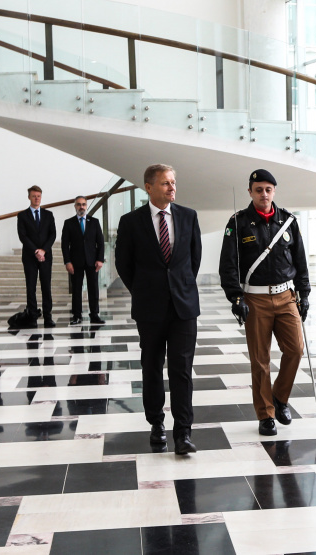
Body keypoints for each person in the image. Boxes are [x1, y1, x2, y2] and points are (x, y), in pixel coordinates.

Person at [116, 164, 201, 455]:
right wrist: (144, 290)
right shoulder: (131, 222)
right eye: (165, 183)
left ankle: (183, 433)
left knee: (182, 371)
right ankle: (156, 423)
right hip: (150, 308)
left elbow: (193, 259)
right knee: (151, 367)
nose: (172, 187)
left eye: (173, 182)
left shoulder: (189, 217)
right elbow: (124, 265)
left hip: (184, 307)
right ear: (149, 187)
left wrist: (179, 286)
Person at [219, 169, 311, 437]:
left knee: (295, 350)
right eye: (258, 189)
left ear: (274, 191)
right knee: (260, 361)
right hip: (255, 298)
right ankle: (266, 414)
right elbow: (228, 265)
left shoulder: (288, 221)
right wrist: (235, 297)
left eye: (268, 189)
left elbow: (300, 261)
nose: (264, 194)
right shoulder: (237, 223)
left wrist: (304, 294)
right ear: (250, 192)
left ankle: (280, 398)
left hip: (286, 297)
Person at [61, 196, 105, 325]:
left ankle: (94, 315)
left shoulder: (95, 222)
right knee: (76, 290)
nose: (81, 207)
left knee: (93, 289)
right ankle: (77, 316)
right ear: (75, 206)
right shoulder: (68, 223)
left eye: (84, 204)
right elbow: (65, 245)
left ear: (86, 206)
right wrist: (67, 261)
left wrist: (100, 259)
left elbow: (100, 243)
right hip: (75, 262)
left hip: (92, 262)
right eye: (79, 204)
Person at [17, 186, 56, 327]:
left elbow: (53, 234)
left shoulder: (48, 214)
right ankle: (32, 317)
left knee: (46, 286)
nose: (37, 198)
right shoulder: (22, 216)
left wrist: (43, 250)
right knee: (31, 287)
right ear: (29, 197)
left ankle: (48, 317)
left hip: (46, 256)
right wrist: (36, 251)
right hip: (29, 256)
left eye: (39, 196)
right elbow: (23, 236)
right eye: (34, 196)